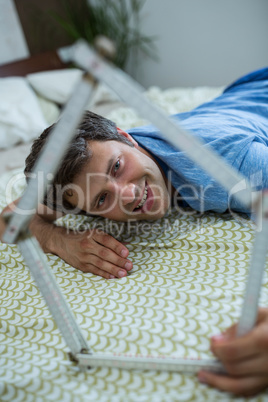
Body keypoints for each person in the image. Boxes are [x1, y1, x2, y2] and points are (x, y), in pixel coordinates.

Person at [0, 66, 268, 396]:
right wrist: (59, 240)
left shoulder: (228, 164)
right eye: (102, 198)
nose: (127, 194)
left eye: (117, 167)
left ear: (126, 136)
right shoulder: (84, 180)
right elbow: (9, 217)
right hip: (236, 99)